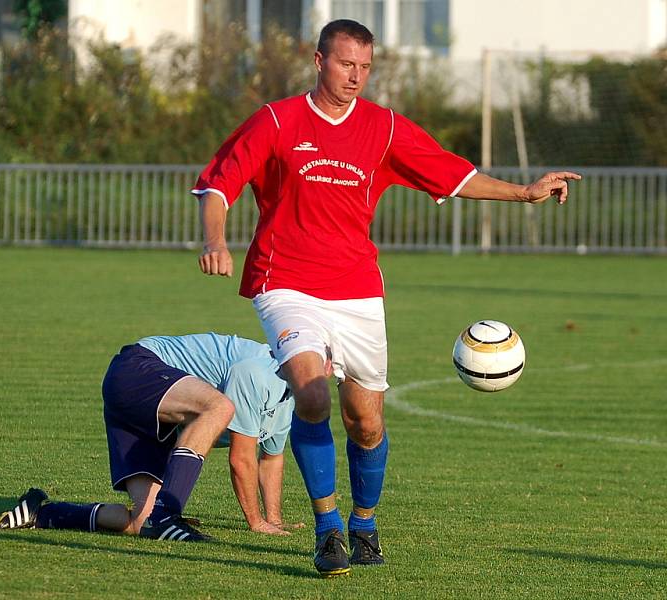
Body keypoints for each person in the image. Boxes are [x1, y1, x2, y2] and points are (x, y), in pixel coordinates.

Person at [192, 19, 581, 576]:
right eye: (347, 64)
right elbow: (217, 185)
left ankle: (364, 522)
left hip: (357, 291)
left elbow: (450, 172)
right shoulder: (277, 120)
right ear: (319, 60)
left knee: (365, 422)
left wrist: (524, 192)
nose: (357, 76)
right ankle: (328, 527)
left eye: (366, 67)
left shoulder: (384, 127)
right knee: (311, 395)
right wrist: (214, 240)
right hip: (287, 282)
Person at [0, 332, 303, 540]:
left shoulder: (286, 402)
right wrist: (255, 521)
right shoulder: (260, 372)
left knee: (141, 523)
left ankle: (41, 513)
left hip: (151, 414)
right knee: (219, 407)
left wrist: (273, 521)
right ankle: (167, 516)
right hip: (137, 369)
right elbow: (241, 458)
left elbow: (271, 460)